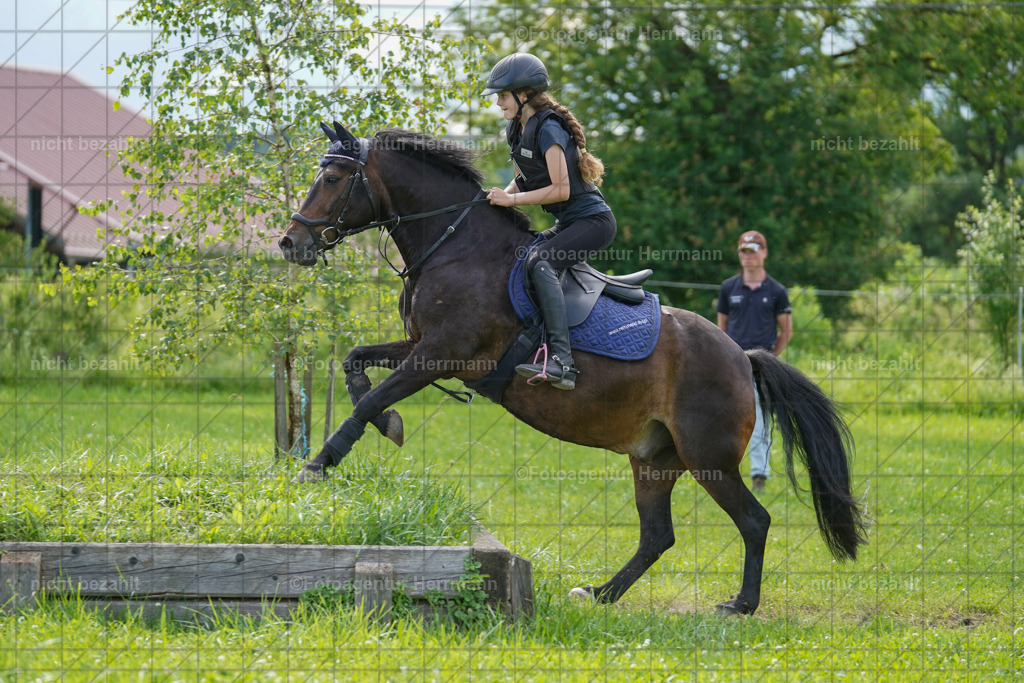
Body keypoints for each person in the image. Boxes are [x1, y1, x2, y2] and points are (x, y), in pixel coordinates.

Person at [482, 53, 617, 391]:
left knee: (541, 263)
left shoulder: (548, 127)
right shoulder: (516, 128)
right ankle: (536, 341)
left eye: (502, 96)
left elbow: (560, 189)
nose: (498, 103)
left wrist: (510, 200)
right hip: (569, 223)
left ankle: (564, 363)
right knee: (523, 257)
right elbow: (522, 182)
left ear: (523, 94)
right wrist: (490, 202)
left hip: (593, 222)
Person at [717, 230, 793, 492]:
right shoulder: (728, 288)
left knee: (760, 421)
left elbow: (786, 330)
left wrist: (771, 359)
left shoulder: (776, 291)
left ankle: (759, 475)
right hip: (733, 364)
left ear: (764, 253)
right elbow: (721, 329)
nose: (748, 257)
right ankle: (720, 471)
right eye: (743, 252)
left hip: (762, 367)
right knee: (723, 418)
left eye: (753, 251)